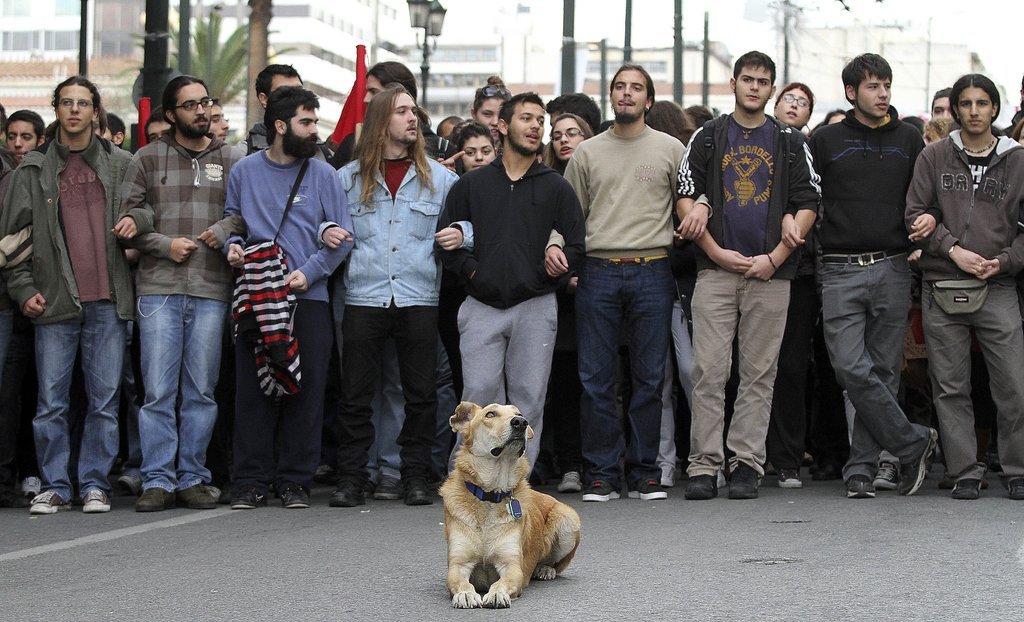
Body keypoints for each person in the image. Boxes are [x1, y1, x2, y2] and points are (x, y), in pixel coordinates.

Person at [676, 51, 820, 500]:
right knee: (708, 372)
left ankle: (746, 464)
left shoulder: (791, 141)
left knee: (760, 374)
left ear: (772, 89)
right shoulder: (709, 134)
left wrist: (775, 257)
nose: (754, 87)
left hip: (771, 274)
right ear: (733, 83)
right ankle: (704, 465)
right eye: (747, 79)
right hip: (715, 272)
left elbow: (808, 202)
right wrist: (716, 252)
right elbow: (683, 193)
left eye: (763, 81)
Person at [0, 76, 134, 514]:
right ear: (55, 110)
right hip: (54, 301)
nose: (74, 110)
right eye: (66, 102)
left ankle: (95, 483)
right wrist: (23, 291)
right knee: (50, 402)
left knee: (104, 400)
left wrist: (139, 222)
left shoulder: (121, 164)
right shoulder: (32, 169)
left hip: (107, 298)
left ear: (96, 111)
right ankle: (55, 484)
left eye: (83, 103)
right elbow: (13, 241)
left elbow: (144, 210)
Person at [551, 63, 684, 502]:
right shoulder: (588, 152)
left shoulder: (670, 148)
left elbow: (691, 199)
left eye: (636, 88)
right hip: (599, 271)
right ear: (611, 97)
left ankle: (646, 471)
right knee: (595, 379)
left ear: (649, 99)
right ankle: (602, 473)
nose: (627, 94)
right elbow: (569, 217)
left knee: (649, 377)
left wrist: (700, 204)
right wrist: (561, 256)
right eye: (620, 87)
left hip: (653, 268)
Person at [808, 53, 937, 499]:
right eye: (872, 86)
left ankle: (861, 466)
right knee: (849, 367)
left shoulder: (910, 138)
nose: (882, 94)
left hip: (894, 265)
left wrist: (928, 223)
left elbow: (926, 198)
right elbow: (806, 197)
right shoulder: (824, 139)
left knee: (882, 372)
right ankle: (912, 441)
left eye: (886, 85)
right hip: (840, 267)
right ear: (851, 93)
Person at [113, 76, 244, 512]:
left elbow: (246, 214)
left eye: (206, 102)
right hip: (158, 287)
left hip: (211, 287)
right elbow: (126, 222)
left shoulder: (233, 158)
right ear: (171, 115)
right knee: (157, 392)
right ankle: (156, 479)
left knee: (201, 391)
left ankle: (192, 476)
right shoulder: (146, 159)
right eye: (191, 105)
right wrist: (163, 244)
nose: (202, 111)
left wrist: (225, 229)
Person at [439, 92, 585, 473]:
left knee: (528, 400)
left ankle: (515, 485)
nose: (536, 126)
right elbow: (445, 241)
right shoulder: (471, 185)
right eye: (526, 118)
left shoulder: (555, 186)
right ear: (502, 126)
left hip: (536, 305)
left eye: (540, 120)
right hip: (481, 306)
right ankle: (473, 481)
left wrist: (562, 262)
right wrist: (472, 271)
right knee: (478, 402)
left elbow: (578, 244)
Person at [224, 86, 353, 509]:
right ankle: (249, 480)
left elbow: (343, 239)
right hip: (257, 296)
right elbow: (234, 221)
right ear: (280, 126)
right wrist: (234, 246)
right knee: (252, 390)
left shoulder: (324, 175)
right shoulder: (244, 171)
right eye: (306, 122)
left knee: (308, 388)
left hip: (309, 297)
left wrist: (309, 272)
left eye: (315, 122)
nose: (315, 131)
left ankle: (296, 479)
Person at [331, 85, 458, 508]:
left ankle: (415, 476)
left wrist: (463, 233)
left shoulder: (441, 179)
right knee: (355, 395)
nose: (413, 118)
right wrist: (323, 231)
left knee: (420, 395)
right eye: (402, 111)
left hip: (418, 295)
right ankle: (352, 477)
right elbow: (319, 224)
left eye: (414, 112)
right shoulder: (345, 179)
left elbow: (471, 226)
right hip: (364, 295)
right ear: (383, 120)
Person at [905, 73, 1024, 501]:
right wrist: (953, 250)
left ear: (995, 108)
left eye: (983, 103)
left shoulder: (1018, 159)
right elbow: (913, 214)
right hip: (943, 282)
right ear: (956, 109)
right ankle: (965, 470)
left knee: (1013, 383)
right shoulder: (933, 156)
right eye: (967, 103)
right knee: (949, 386)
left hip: (999, 285)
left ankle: (1017, 468)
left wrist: (1004, 261)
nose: (974, 111)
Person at [765, 81, 819, 488]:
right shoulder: (753, 142)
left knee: (791, 367)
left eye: (803, 102)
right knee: (748, 369)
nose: (794, 105)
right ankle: (748, 454)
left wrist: (792, 214)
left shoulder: (809, 151)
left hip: (797, 274)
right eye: (789, 98)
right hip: (747, 267)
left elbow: (814, 202)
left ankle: (787, 457)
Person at [243, 64, 331, 160]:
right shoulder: (243, 154)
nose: (296, 98)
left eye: (299, 91)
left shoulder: (323, 154)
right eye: (285, 93)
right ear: (263, 99)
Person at [470, 76, 511, 144]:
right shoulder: (458, 150)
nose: (495, 122)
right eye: (487, 114)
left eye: (501, 115)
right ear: (474, 114)